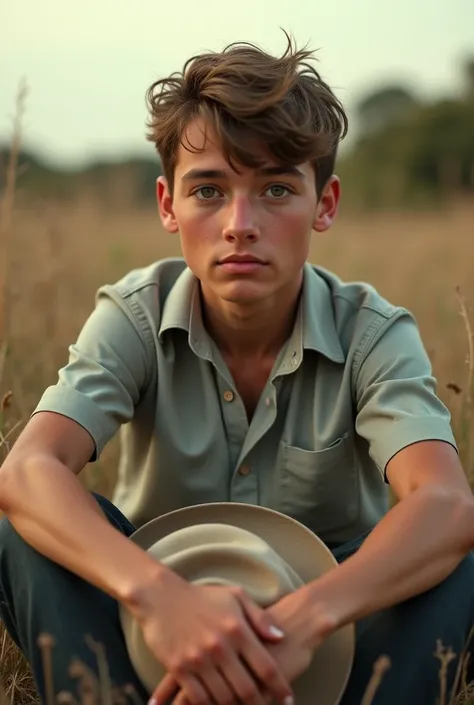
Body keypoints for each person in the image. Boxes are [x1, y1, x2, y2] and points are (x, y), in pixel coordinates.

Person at [1, 31, 474, 705]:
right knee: (20, 534)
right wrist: (162, 598)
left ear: (326, 203)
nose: (239, 223)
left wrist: (302, 623)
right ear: (169, 204)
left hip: (330, 635)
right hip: (153, 629)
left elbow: (447, 503)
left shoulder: (373, 330)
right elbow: (27, 471)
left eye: (276, 188)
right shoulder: (137, 312)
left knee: (458, 561)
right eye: (209, 190)